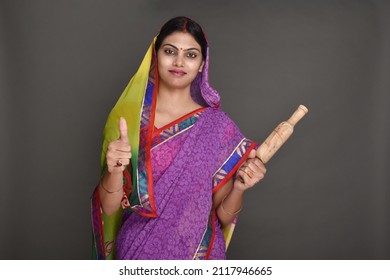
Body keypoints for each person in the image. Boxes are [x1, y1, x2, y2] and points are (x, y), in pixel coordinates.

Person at [91, 16, 267, 260]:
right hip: (139, 254)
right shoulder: (127, 121)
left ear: (202, 63)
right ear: (156, 55)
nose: (179, 62)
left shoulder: (217, 127)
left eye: (191, 55)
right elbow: (109, 208)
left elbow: (224, 215)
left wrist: (239, 188)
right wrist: (114, 171)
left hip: (198, 257)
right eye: (170, 51)